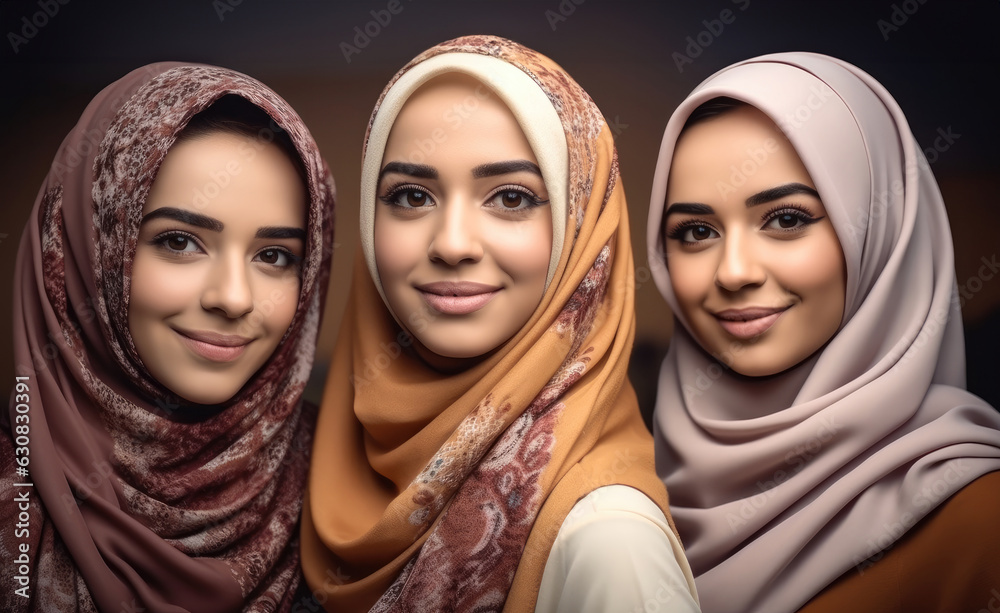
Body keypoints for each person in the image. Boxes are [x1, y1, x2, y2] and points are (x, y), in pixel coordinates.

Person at [300, 35, 700, 612]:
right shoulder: (319, 468)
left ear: (581, 231)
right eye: (411, 196)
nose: (453, 243)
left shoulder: (610, 543)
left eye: (511, 198)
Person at [646, 52, 1000, 612]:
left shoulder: (979, 519)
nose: (734, 271)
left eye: (786, 219)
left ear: (883, 231)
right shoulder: (629, 490)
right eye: (696, 231)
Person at [1, 63, 335, 612]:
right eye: (180, 242)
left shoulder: (352, 483)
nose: (233, 298)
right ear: (87, 249)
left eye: (273, 256)